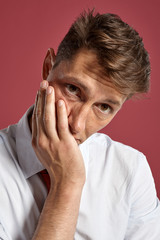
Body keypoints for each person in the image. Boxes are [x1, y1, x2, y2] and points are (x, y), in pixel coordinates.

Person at [0, 9, 160, 240]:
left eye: (104, 107)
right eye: (73, 89)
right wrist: (67, 184)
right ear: (48, 68)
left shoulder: (130, 170)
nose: (77, 124)